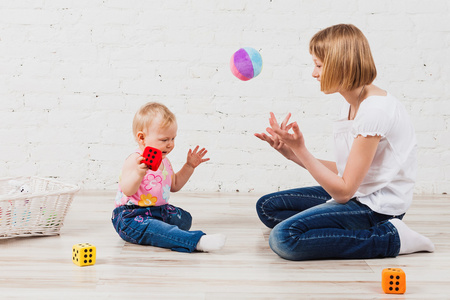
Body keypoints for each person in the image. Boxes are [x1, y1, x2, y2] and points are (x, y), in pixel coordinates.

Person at [255, 24, 435, 261]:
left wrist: (302, 148)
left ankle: (392, 237)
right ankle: (338, 227)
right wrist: (291, 153)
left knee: (284, 238)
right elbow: (346, 173)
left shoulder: (375, 111)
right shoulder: (352, 102)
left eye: (318, 65)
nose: (314, 73)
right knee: (268, 207)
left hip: (377, 207)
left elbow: (343, 191)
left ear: (341, 65)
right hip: (359, 193)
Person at [112, 102, 226, 253]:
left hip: (158, 210)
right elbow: (127, 190)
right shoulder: (135, 160)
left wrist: (189, 166)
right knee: (155, 227)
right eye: (164, 140)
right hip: (131, 216)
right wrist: (139, 173)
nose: (170, 144)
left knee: (185, 219)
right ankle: (197, 241)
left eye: (173, 139)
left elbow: (175, 185)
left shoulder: (165, 161)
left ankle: (163, 232)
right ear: (142, 138)